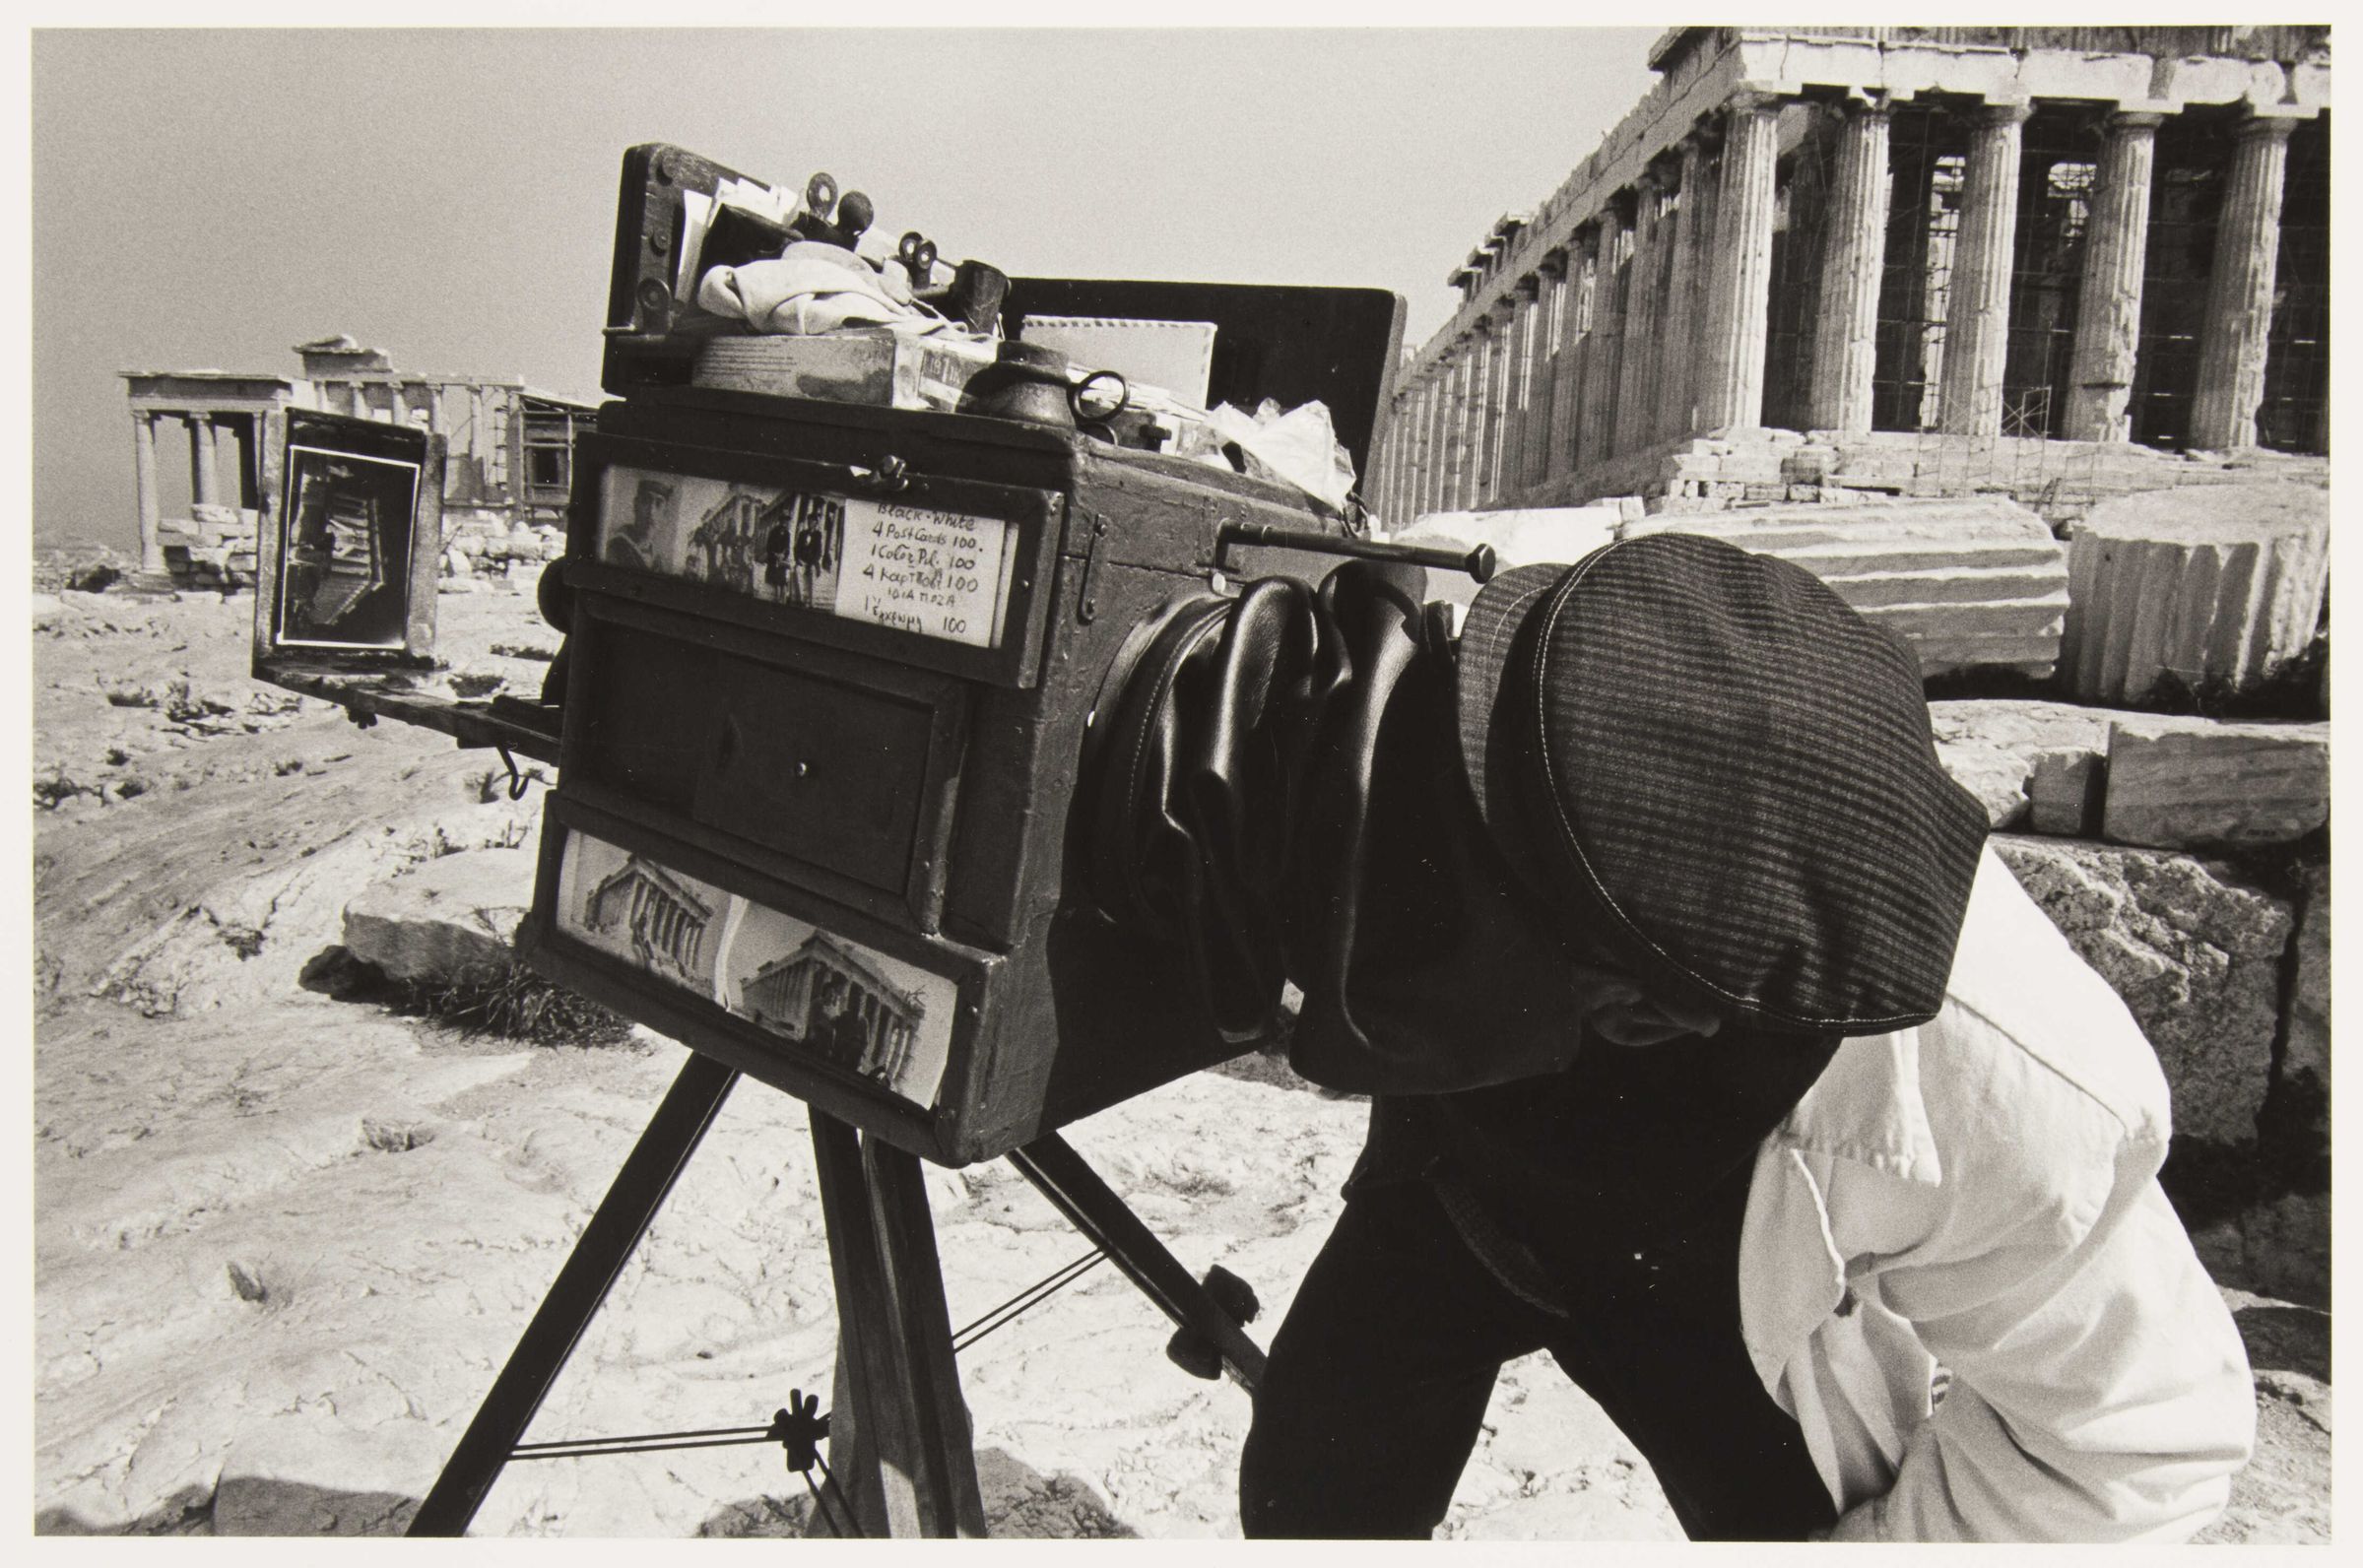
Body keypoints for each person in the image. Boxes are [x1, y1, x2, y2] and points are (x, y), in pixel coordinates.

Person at [1238, 534, 2256, 1542]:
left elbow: (2132, 1452)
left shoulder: (2011, 1092)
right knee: (1311, 1490)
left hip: (1704, 1286)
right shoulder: (1581, 706)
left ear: (1639, 1014)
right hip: (1463, 1194)